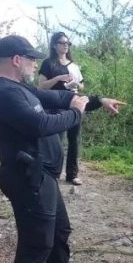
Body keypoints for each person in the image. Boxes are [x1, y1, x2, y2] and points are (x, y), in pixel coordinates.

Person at [0, 35, 125, 263]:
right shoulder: (3, 93)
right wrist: (75, 114)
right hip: (27, 178)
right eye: (32, 59)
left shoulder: (21, 89)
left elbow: (57, 98)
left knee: (59, 231)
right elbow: (39, 124)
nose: (36, 63)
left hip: (42, 176)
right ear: (16, 60)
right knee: (36, 243)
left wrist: (96, 101)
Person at [37, 32, 85, 186]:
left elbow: (82, 84)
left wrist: (77, 85)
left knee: (74, 140)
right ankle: (52, 173)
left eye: (68, 43)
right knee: (57, 141)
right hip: (55, 106)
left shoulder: (74, 65)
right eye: (62, 42)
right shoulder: (48, 63)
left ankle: (72, 174)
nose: (66, 45)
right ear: (54, 45)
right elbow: (41, 86)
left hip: (73, 101)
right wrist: (58, 79)